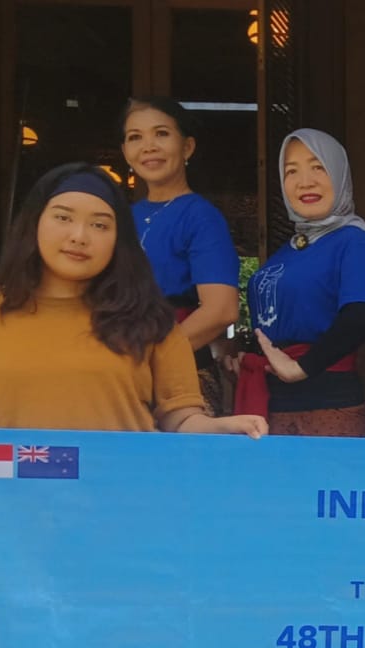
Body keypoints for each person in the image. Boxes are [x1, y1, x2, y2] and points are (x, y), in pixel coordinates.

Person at [0, 163, 266, 454]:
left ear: (118, 241)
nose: (79, 236)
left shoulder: (149, 317)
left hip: (120, 503)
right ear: (34, 224)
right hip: (12, 509)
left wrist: (217, 427)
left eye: (99, 225)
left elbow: (180, 417)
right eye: (63, 218)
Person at [236, 129, 365, 437]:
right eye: (291, 171)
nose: (305, 181)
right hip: (272, 402)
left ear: (339, 173)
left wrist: (301, 367)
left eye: (318, 167)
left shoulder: (354, 240)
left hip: (326, 406)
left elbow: (363, 314)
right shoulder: (288, 250)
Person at [119, 96, 241, 415]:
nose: (148, 146)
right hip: (119, 373)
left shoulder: (200, 216)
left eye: (161, 133)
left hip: (179, 377)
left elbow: (222, 309)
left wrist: (151, 360)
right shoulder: (121, 218)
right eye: (135, 137)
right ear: (125, 152)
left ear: (187, 147)